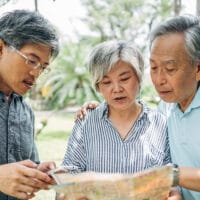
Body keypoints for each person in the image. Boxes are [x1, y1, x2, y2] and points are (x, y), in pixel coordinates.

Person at [77, 14, 200, 200]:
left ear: (197, 69)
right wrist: (103, 107)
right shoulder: (165, 110)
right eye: (154, 67)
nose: (159, 79)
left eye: (170, 69)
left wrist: (170, 174)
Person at [62, 40, 170, 175]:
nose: (117, 89)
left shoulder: (161, 124)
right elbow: (70, 173)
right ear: (98, 86)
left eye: (124, 79)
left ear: (139, 77)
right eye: (107, 82)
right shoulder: (86, 122)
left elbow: (171, 178)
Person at [0, 9, 59, 200]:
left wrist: (39, 171)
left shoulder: (25, 111)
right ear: (1, 49)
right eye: (31, 61)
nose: (36, 73)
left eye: (43, 67)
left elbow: (28, 163)